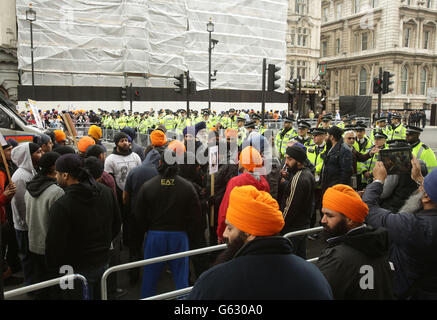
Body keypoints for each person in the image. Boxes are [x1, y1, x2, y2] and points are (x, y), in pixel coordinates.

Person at [187, 185, 333, 300]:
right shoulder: (314, 276)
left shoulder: (213, 283)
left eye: (230, 228)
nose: (225, 234)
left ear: (250, 234)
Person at [45, 154, 121, 300]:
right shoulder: (106, 192)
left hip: (74, 270)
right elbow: (117, 225)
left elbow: (54, 246)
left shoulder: (62, 205)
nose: (56, 177)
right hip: (103, 262)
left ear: (65, 175)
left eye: (57, 173)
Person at [363, 158, 437, 299]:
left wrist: (378, 181)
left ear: (426, 197)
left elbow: (369, 209)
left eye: (422, 187)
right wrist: (420, 178)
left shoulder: (414, 226)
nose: (419, 189)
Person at [134, 150, 203, 298]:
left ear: (159, 163)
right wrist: (191, 234)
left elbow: (138, 215)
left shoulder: (148, 186)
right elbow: (196, 216)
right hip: (179, 235)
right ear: (176, 164)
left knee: (150, 276)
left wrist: (145, 231)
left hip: (155, 235)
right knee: (181, 277)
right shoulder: (187, 186)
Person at [316, 184, 394, 299]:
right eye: (323, 214)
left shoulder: (337, 259)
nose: (323, 220)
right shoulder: (379, 245)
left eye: (329, 216)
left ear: (350, 220)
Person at [24, 151, 64, 299]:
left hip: (33, 242)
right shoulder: (56, 192)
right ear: (54, 167)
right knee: (54, 285)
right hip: (49, 246)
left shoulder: (30, 187)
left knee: (41, 282)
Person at [216, 146, 270, 242]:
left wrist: (221, 232)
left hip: (237, 233)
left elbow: (225, 210)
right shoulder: (264, 183)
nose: (238, 162)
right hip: (255, 233)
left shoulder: (236, 182)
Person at [11, 142, 42, 286]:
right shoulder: (20, 176)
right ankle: (31, 286)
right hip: (24, 226)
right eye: (38, 152)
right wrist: (27, 222)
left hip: (32, 223)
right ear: (28, 156)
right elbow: (20, 204)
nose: (41, 154)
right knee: (28, 257)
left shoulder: (32, 171)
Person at [279, 145, 315, 259]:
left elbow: (290, 207)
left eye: (290, 159)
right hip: (303, 224)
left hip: (293, 228)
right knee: (301, 259)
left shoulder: (298, 178)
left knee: (290, 260)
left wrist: (280, 225)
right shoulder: (308, 173)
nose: (286, 162)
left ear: (299, 161)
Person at [320, 126, 353, 194]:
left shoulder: (344, 150)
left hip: (336, 189)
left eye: (327, 135)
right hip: (328, 185)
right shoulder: (330, 147)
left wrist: (338, 189)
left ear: (332, 137)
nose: (325, 137)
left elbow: (345, 173)